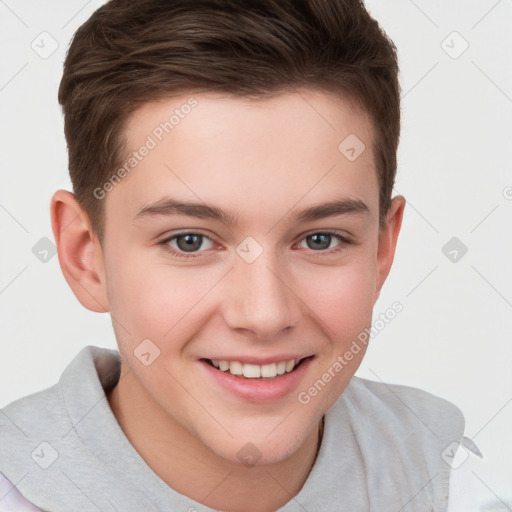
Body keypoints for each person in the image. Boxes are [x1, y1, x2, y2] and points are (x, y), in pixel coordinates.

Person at [0, 0, 481, 510]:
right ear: (84, 256)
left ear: (381, 251)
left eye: (320, 239)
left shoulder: (458, 486)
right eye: (190, 241)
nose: (265, 314)